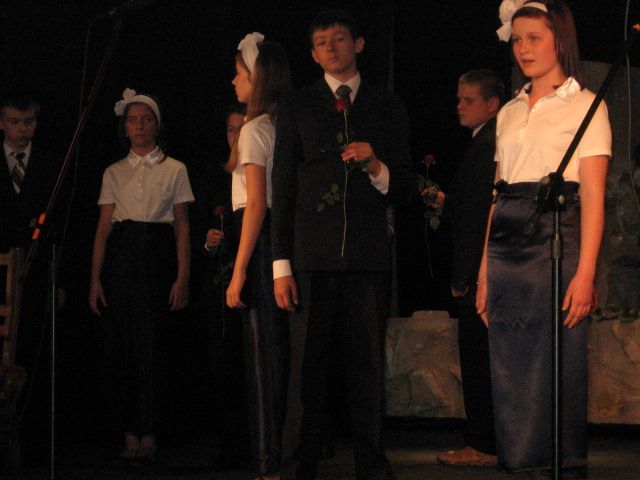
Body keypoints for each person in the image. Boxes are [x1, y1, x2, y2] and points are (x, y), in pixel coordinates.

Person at [271, 9, 416, 480]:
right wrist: (280, 264)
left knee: (367, 368)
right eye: (321, 42)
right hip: (311, 258)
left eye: (338, 39)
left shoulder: (386, 104)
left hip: (367, 257)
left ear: (359, 44)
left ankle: (371, 465)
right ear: (313, 55)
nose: (331, 48)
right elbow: (282, 188)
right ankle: (299, 464)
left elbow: (405, 185)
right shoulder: (298, 104)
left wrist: (376, 166)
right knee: (306, 369)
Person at [477, 1, 611, 477]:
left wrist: (586, 273)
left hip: (555, 238)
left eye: (534, 38)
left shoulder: (587, 105)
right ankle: (518, 464)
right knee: (509, 364)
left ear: (560, 40)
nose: (524, 48)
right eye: (517, 39)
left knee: (556, 362)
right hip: (506, 245)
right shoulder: (509, 111)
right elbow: (497, 194)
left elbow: (593, 195)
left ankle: (558, 467)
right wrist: (483, 272)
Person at [89, 89, 194, 466]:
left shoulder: (175, 168)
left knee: (152, 347)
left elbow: (182, 226)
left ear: (157, 124)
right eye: (132, 120)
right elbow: (103, 228)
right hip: (122, 258)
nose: (139, 126)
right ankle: (128, 433)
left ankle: (150, 432)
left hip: (157, 255)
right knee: (121, 348)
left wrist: (182, 277)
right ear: (124, 127)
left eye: (146, 120)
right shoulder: (114, 171)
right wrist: (95, 279)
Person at [426, 69, 503, 467]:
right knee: (481, 358)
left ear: (492, 104)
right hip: (480, 269)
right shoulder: (483, 143)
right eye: (459, 99)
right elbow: (470, 205)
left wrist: (465, 276)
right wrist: (447, 201)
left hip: (478, 272)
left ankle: (483, 443)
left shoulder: (488, 145)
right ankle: (489, 440)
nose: (460, 106)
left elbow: (478, 217)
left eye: (469, 100)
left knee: (477, 359)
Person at [227, 33, 292, 480]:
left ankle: (269, 463)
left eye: (239, 74)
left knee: (262, 359)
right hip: (270, 241)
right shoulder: (274, 123)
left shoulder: (254, 129)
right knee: (272, 355)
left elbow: (256, 203)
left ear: (257, 78)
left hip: (258, 241)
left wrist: (238, 271)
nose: (234, 81)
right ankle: (272, 457)